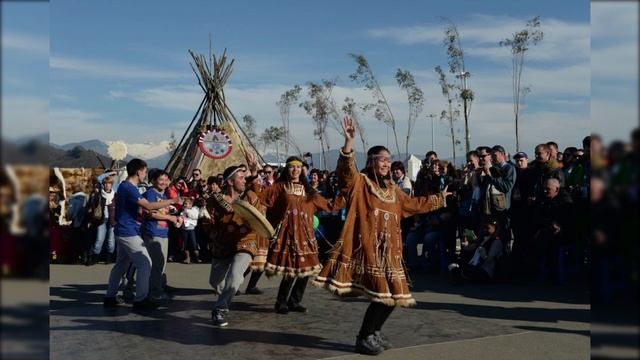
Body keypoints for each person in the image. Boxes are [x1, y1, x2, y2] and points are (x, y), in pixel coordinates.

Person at [313, 117, 449, 355]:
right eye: (381, 159)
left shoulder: (393, 190)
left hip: (391, 251)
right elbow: (345, 173)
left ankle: (374, 331)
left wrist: (438, 199)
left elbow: (412, 204)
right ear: (371, 162)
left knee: (395, 296)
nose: (386, 163)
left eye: (388, 159)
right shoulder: (361, 183)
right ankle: (364, 337)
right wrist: (348, 142)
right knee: (381, 295)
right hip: (370, 249)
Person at [252, 155, 336, 315]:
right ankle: (281, 302)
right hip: (289, 234)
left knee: (306, 271)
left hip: (306, 237)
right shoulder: (279, 187)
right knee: (291, 270)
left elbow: (328, 205)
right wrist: (254, 173)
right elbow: (261, 194)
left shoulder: (309, 191)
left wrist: (348, 194)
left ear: (302, 170)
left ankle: (295, 301)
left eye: (298, 167)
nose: (295, 170)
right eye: (292, 167)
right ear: (287, 169)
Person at [103, 158, 182, 310]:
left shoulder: (127, 187)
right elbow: (149, 205)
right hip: (128, 231)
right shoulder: (129, 188)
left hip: (124, 229)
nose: (145, 174)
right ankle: (141, 299)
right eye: (145, 171)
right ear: (139, 172)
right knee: (145, 263)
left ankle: (110, 296)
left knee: (120, 265)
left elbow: (141, 209)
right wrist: (172, 200)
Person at [206, 164, 266, 327]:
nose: (244, 180)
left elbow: (259, 218)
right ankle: (225, 297)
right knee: (215, 281)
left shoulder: (250, 197)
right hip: (222, 243)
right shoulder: (215, 200)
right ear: (230, 182)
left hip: (245, 241)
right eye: (241, 178)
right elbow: (210, 219)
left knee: (235, 277)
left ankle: (220, 309)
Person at [142, 170, 182, 302]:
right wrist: (170, 218)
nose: (164, 182)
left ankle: (157, 288)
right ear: (153, 180)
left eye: (166, 180)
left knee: (161, 264)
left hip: (163, 232)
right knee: (157, 264)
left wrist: (176, 218)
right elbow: (150, 213)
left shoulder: (164, 195)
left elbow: (165, 212)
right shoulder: (150, 193)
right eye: (161, 179)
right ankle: (154, 292)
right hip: (153, 232)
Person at [86, 177, 117, 265]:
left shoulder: (115, 195)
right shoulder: (98, 195)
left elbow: (119, 209)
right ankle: (94, 258)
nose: (107, 185)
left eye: (109, 183)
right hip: (101, 220)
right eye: (106, 183)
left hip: (112, 220)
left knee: (111, 241)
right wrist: (90, 221)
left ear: (112, 185)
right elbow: (93, 209)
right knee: (99, 239)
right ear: (103, 185)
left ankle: (108, 258)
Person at [181, 197, 200, 263]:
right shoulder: (183, 210)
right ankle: (187, 258)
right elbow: (181, 218)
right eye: (184, 204)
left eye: (186, 204)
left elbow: (195, 216)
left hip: (191, 229)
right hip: (184, 229)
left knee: (194, 243)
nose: (185, 205)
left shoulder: (194, 209)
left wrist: (187, 211)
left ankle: (197, 257)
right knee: (185, 244)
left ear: (191, 204)